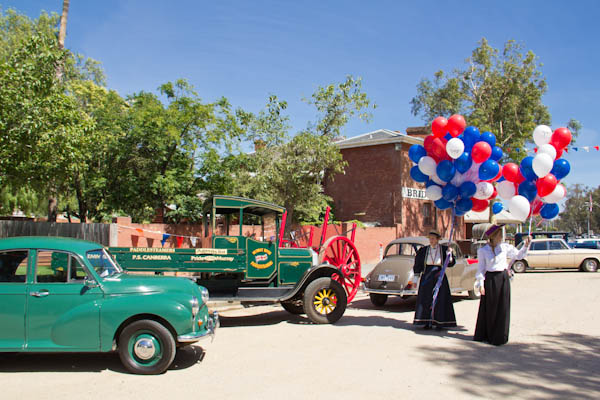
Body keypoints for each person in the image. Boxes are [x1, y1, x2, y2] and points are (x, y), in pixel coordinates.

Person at [473, 224, 531, 346]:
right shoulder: (483, 251)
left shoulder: (505, 247)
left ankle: (500, 335)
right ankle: (487, 334)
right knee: (490, 307)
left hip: (503, 278)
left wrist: (526, 245)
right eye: (499, 234)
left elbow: (519, 255)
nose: (501, 237)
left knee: (502, 307)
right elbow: (481, 269)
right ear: (493, 236)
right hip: (490, 279)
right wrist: (481, 284)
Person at [413, 230, 456, 330]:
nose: (431, 240)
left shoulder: (444, 249)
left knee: (439, 299)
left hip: (439, 275)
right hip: (427, 275)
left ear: (437, 239)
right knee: (426, 298)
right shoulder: (423, 250)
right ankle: (426, 322)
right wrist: (415, 279)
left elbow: (450, 263)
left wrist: (449, 255)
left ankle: (439, 322)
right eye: (430, 239)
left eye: (433, 239)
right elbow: (418, 264)